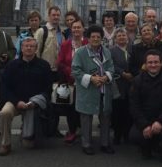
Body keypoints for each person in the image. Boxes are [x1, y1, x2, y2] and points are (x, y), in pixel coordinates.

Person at [0, 36, 53, 156]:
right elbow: (5, 88)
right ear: (21, 48)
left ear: (36, 49)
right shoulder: (12, 65)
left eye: (31, 46)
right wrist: (16, 102)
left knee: (29, 146)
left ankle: (26, 131)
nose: (28, 48)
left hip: (34, 104)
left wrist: (36, 102)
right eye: (26, 46)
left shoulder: (44, 65)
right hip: (15, 101)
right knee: (4, 113)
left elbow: (48, 89)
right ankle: (5, 144)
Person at [129, 49, 162, 162]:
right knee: (134, 136)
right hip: (145, 118)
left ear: (161, 63)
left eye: (156, 62)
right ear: (145, 64)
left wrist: (160, 121)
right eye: (150, 62)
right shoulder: (137, 80)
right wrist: (144, 125)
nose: (153, 65)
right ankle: (147, 147)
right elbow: (134, 106)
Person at [72, 25, 115, 155]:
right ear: (88, 38)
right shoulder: (80, 52)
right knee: (86, 118)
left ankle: (105, 143)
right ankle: (86, 144)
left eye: (98, 37)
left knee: (105, 117)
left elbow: (111, 68)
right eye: (93, 37)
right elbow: (75, 71)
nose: (96, 39)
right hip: (88, 90)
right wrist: (91, 78)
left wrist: (106, 77)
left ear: (102, 38)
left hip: (103, 89)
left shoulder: (106, 51)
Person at [57, 18, 88, 144]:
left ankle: (84, 130)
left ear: (83, 29)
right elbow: (60, 62)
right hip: (70, 81)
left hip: (85, 81)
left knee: (84, 107)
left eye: (78, 27)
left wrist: (82, 74)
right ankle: (72, 131)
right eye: (74, 27)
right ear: (71, 29)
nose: (76, 30)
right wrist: (69, 71)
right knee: (71, 107)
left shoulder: (88, 43)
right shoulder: (66, 44)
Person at [110, 27, 133, 144]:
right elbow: (110, 65)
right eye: (119, 36)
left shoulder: (132, 49)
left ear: (127, 37)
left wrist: (132, 73)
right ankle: (117, 135)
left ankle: (127, 134)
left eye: (123, 35)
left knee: (128, 111)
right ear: (115, 39)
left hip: (131, 84)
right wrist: (122, 73)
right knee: (117, 111)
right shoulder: (111, 51)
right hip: (118, 84)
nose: (122, 37)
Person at [38, 6, 62, 76]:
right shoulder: (41, 31)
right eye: (53, 15)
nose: (56, 17)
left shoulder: (62, 33)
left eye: (58, 15)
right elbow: (36, 52)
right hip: (45, 70)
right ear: (48, 16)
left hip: (59, 70)